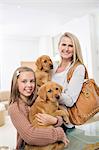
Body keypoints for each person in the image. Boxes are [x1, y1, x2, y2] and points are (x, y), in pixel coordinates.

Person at [8, 66, 69, 149]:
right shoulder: (15, 108)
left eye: (32, 81)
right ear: (16, 84)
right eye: (24, 81)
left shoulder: (39, 98)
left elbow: (57, 114)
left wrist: (55, 120)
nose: (29, 85)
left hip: (48, 140)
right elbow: (31, 136)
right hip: (28, 146)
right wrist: (59, 133)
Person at [52, 32, 85, 129]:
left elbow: (70, 100)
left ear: (75, 49)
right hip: (49, 113)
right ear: (58, 46)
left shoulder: (78, 68)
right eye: (64, 44)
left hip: (64, 122)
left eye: (70, 46)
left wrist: (49, 94)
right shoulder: (52, 67)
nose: (66, 49)